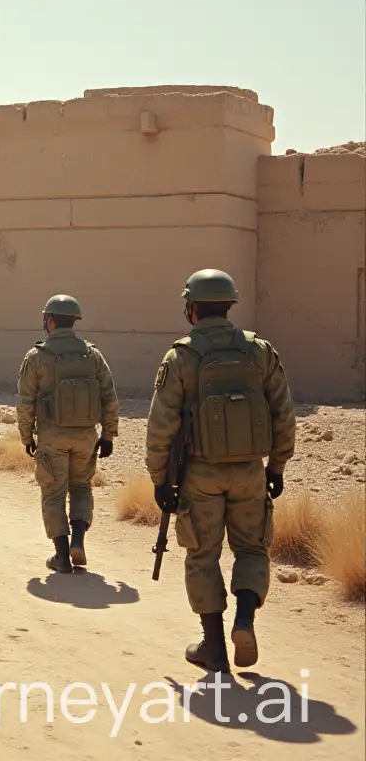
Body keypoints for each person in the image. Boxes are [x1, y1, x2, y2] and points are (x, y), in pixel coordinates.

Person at [146, 269, 295, 672]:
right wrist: (277, 465)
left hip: (200, 474)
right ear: (228, 306)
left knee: (202, 554)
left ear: (192, 308)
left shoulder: (180, 356)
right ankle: (244, 620)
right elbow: (283, 414)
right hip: (249, 471)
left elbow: (161, 425)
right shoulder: (259, 351)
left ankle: (213, 647)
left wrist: (160, 478)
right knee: (251, 548)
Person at [16, 295, 119, 573]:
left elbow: (25, 401)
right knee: (82, 487)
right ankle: (79, 541)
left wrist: (27, 437)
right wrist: (108, 435)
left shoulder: (37, 356)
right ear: (74, 322)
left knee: (53, 493)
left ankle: (61, 556)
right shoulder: (92, 355)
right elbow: (110, 397)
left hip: (52, 437)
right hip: (85, 435)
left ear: (49, 320)